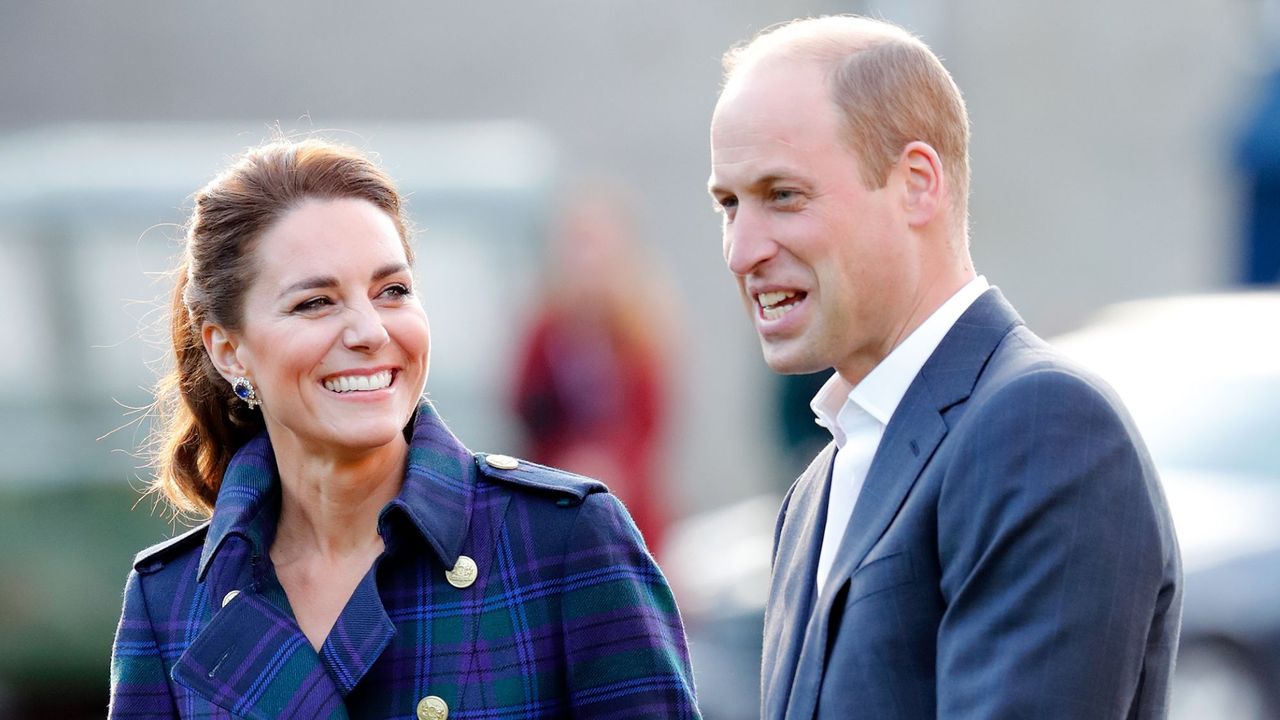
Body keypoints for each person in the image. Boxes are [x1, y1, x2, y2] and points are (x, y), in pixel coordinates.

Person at [108, 138, 701, 719]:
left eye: (392, 291)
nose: (369, 331)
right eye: (315, 302)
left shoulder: (563, 541)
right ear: (229, 351)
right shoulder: (170, 602)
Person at [707, 16, 1181, 719]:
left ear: (917, 184)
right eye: (728, 204)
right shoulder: (816, 489)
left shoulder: (1043, 428)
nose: (742, 250)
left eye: (782, 195)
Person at [512, 186, 673, 555]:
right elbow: (525, 409)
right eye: (578, 245)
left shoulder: (642, 331)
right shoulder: (545, 328)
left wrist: (610, 462)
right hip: (556, 493)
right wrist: (567, 461)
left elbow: (649, 423)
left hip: (626, 501)